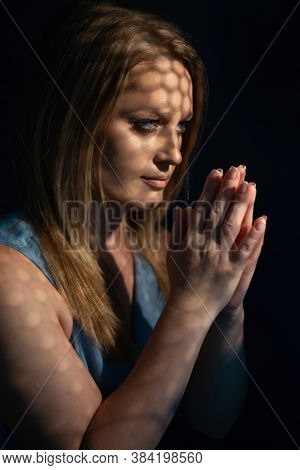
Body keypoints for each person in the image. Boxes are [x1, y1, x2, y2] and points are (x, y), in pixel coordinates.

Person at [0, 0, 267, 450]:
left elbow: (212, 421)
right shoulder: (12, 281)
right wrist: (191, 301)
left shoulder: (164, 251)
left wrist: (225, 306)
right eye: (146, 124)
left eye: (181, 127)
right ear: (74, 120)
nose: (174, 154)